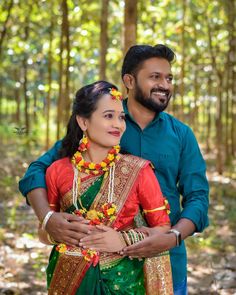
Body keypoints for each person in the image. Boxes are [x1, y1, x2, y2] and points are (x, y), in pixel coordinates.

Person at [19, 44, 209, 294]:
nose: (165, 84)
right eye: (155, 77)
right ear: (129, 80)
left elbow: (198, 198)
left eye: (169, 78)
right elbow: (37, 172)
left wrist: (172, 236)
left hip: (166, 263)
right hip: (90, 269)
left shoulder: (181, 134)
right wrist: (48, 218)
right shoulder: (102, 124)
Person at [37, 80, 173, 294]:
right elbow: (43, 233)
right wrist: (62, 234)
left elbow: (163, 231)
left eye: (121, 117)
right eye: (108, 116)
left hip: (124, 283)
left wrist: (122, 239)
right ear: (83, 122)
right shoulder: (57, 170)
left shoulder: (138, 170)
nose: (118, 125)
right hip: (67, 279)